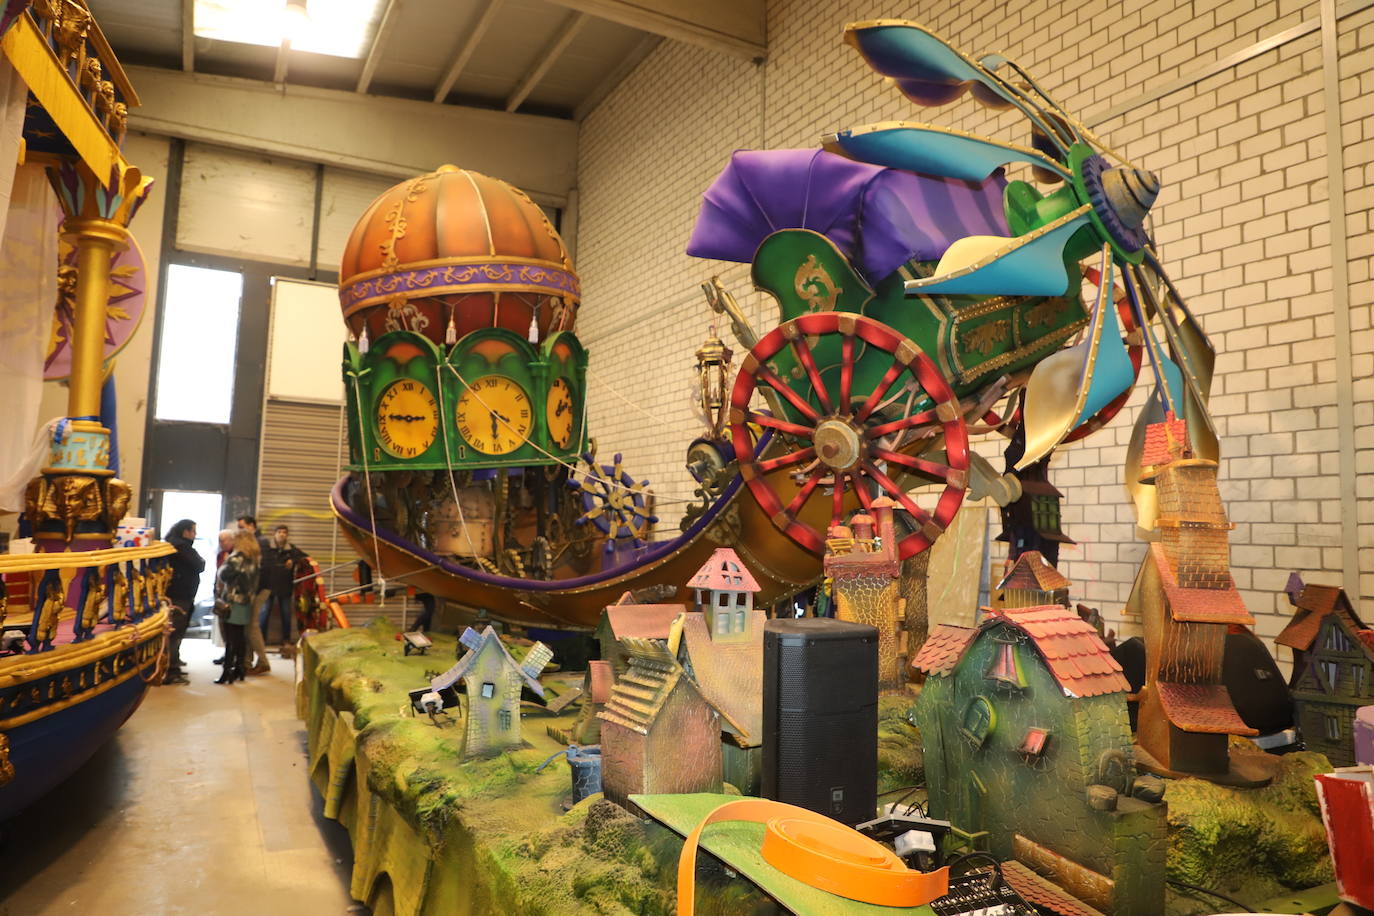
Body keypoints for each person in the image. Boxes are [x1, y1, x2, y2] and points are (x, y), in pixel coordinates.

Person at [162, 519, 205, 685]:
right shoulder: (181, 546)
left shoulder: (173, 543)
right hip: (180, 595)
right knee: (175, 632)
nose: (195, 535)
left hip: (177, 594)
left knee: (175, 632)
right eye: (193, 531)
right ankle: (170, 670)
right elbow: (199, 564)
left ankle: (173, 663)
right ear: (185, 531)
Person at [215, 528, 259, 685]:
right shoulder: (254, 558)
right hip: (246, 602)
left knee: (230, 638)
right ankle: (240, 669)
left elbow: (223, 574)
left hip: (233, 602)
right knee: (240, 637)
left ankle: (226, 672)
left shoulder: (236, 558)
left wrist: (226, 561)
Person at [236, 515, 272, 674]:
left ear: (252, 526)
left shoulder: (260, 542)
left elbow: (262, 570)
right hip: (253, 589)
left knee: (251, 625)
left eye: (242, 526)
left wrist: (252, 591)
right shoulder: (253, 540)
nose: (240, 530)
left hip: (259, 589)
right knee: (247, 625)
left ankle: (263, 661)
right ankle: (247, 662)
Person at [259, 524, 303, 646]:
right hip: (268, 586)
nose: (282, 534)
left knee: (286, 614)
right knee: (264, 613)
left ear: (287, 535)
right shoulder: (267, 548)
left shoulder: (292, 550)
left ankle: (286, 640)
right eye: (279, 532)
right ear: (275, 533)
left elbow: (304, 557)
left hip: (285, 587)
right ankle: (261, 640)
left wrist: (293, 561)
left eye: (284, 532)